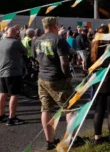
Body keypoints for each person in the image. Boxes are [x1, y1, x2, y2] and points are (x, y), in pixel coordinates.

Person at [33, 17, 75, 150]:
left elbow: (35, 57)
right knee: (70, 107)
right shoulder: (58, 39)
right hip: (57, 78)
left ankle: (49, 141)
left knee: (46, 109)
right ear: (55, 25)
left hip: (42, 78)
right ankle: (72, 139)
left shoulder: (37, 40)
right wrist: (67, 75)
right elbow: (64, 62)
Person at [0, 27, 27, 125]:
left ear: (6, 33)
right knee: (14, 95)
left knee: (2, 94)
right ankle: (12, 118)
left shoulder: (0, 42)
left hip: (2, 71)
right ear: (15, 33)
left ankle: (1, 116)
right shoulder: (16, 42)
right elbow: (25, 51)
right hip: (13, 72)